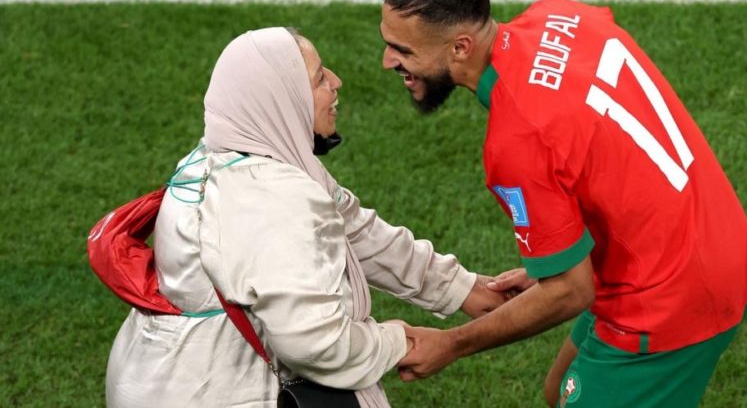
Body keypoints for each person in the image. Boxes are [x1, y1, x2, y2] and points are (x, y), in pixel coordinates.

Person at [378, 0, 747, 407]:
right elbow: (596, 146)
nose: (388, 61)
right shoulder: (559, 14)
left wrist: (453, 343)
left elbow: (570, 290)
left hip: (666, 297)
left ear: (461, 47)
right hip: (714, 244)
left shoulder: (518, 139)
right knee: (558, 389)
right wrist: (556, 259)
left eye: (401, 49)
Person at [105, 27, 507, 407]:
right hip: (217, 392)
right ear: (280, 101)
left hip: (158, 375)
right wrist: (397, 341)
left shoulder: (223, 156)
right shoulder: (273, 200)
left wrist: (463, 288)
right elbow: (315, 343)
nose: (336, 82)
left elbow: (355, 230)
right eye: (317, 79)